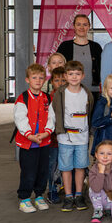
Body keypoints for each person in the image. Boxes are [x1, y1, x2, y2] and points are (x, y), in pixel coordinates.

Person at [52, 60, 94, 212]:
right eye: (71, 74)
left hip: (82, 139)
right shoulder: (60, 93)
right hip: (65, 138)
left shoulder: (86, 93)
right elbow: (54, 112)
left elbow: (90, 112)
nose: (74, 77)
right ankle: (68, 196)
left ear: (83, 76)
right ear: (65, 76)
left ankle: (79, 195)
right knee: (66, 168)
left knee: (80, 167)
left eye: (77, 74)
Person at [14, 63, 55, 213]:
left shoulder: (47, 98)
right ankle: (24, 199)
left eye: (41, 78)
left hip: (43, 142)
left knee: (42, 171)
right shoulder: (23, 98)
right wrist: (29, 135)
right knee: (28, 171)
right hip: (28, 143)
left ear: (45, 80)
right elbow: (20, 119)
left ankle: (39, 195)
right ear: (27, 80)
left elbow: (51, 118)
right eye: (34, 77)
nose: (38, 80)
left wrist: (46, 133)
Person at [56, 14, 103, 101]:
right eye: (78, 24)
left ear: (89, 26)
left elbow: (102, 69)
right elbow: (57, 69)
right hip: (70, 91)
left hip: (93, 92)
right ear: (74, 26)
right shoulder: (64, 46)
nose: (82, 27)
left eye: (85, 24)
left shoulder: (96, 47)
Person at [91, 74, 112, 156]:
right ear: (106, 89)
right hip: (104, 146)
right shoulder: (102, 103)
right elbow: (95, 123)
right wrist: (110, 117)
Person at [47, 66, 66, 204]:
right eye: (57, 80)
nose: (60, 83)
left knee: (65, 165)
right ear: (52, 82)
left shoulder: (71, 96)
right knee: (52, 165)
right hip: (53, 140)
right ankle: (52, 189)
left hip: (67, 138)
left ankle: (65, 187)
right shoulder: (49, 98)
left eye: (63, 80)